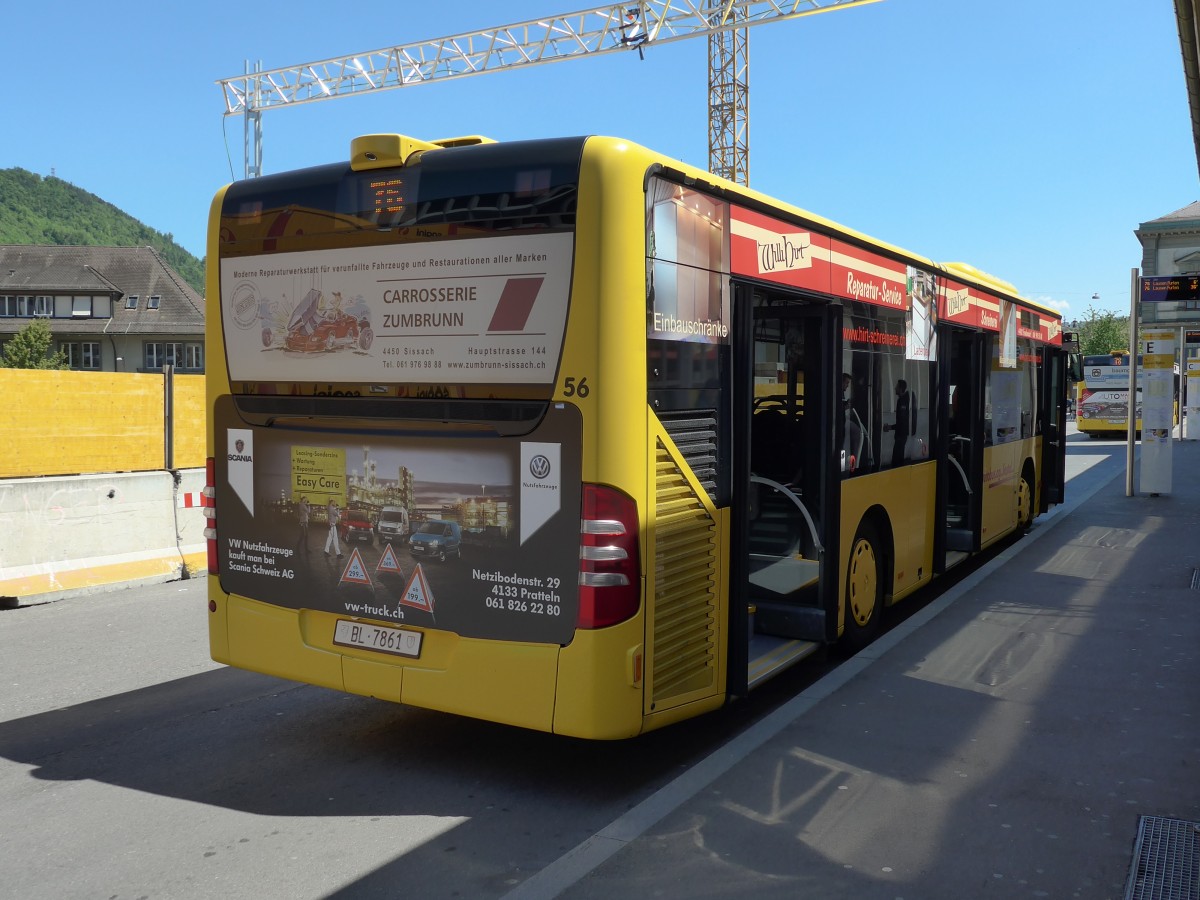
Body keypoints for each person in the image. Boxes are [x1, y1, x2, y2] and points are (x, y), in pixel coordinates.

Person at [883, 379, 912, 468]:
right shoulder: (903, 400)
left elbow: (902, 422)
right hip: (901, 434)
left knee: (896, 460)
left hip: (901, 435)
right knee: (899, 458)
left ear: (901, 389)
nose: (895, 388)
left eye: (897, 387)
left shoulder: (902, 401)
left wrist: (890, 427)